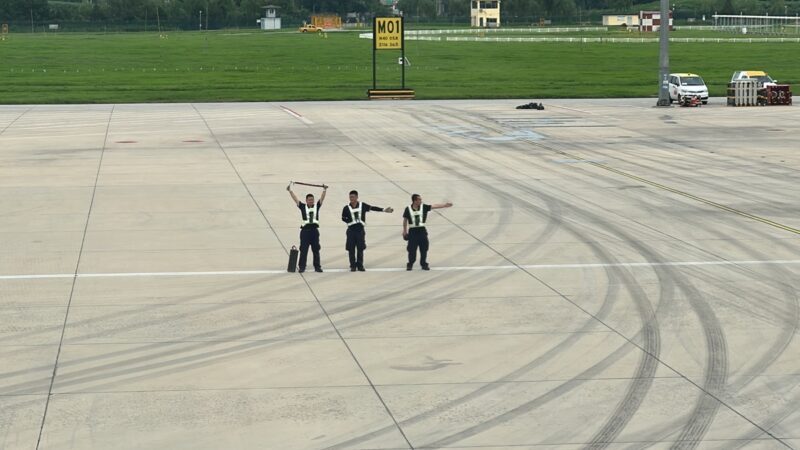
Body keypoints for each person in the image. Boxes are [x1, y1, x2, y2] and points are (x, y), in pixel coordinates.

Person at [341, 190, 393, 271]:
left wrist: (384, 210)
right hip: (351, 231)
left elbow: (372, 208)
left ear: (357, 197)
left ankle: (360, 264)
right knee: (351, 249)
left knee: (360, 248)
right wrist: (349, 221)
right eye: (350, 197)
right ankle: (353, 265)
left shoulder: (362, 205)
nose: (351, 198)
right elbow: (343, 218)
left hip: (360, 231)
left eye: (353, 197)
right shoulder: (346, 208)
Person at [402, 194, 453, 270]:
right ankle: (410, 264)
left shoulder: (423, 207)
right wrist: (404, 231)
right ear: (414, 201)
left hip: (422, 231)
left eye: (420, 199)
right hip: (412, 232)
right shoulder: (408, 209)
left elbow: (434, 206)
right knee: (412, 249)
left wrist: (444, 205)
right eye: (419, 199)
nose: (420, 201)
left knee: (424, 248)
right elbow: (405, 220)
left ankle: (424, 264)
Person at [288, 181, 327, 273]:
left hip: (314, 231)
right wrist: (290, 191)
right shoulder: (302, 206)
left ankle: (317, 267)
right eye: (309, 200)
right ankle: (302, 267)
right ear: (306, 200)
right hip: (305, 232)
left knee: (316, 250)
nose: (311, 201)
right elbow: (295, 199)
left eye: (312, 199)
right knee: (303, 250)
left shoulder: (317, 206)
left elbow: (322, 199)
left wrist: (324, 190)